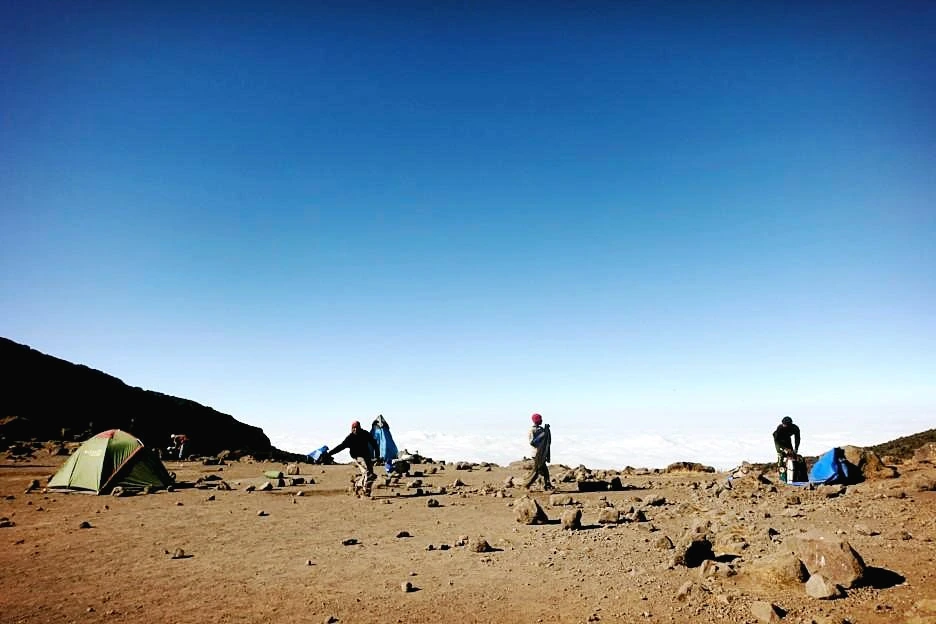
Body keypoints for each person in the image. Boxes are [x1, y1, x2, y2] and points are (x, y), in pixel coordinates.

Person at [326, 421, 379, 496]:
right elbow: (341, 447)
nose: (355, 429)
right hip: (357, 457)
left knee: (371, 474)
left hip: (366, 456)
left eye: (357, 428)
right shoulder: (350, 438)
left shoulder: (365, 434)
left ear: (360, 428)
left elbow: (374, 443)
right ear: (351, 429)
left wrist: (377, 456)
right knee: (367, 473)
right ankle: (364, 489)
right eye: (354, 428)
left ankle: (361, 487)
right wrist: (330, 453)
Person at [524, 413, 553, 491]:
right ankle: (528, 484)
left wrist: (546, 431)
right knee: (538, 471)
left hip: (542, 454)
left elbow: (546, 440)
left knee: (541, 471)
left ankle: (546, 485)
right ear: (536, 420)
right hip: (536, 454)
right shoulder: (532, 430)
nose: (541, 420)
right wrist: (542, 435)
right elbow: (532, 442)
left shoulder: (541, 429)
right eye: (540, 419)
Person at [773, 416, 801, 481]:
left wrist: (796, 448)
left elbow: (797, 439)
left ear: (789, 425)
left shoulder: (795, 428)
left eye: (784, 424)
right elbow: (777, 440)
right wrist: (784, 449)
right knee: (781, 455)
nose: (783, 425)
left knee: (791, 454)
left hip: (787, 438)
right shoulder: (780, 428)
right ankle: (781, 474)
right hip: (778, 440)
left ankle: (793, 473)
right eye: (783, 424)